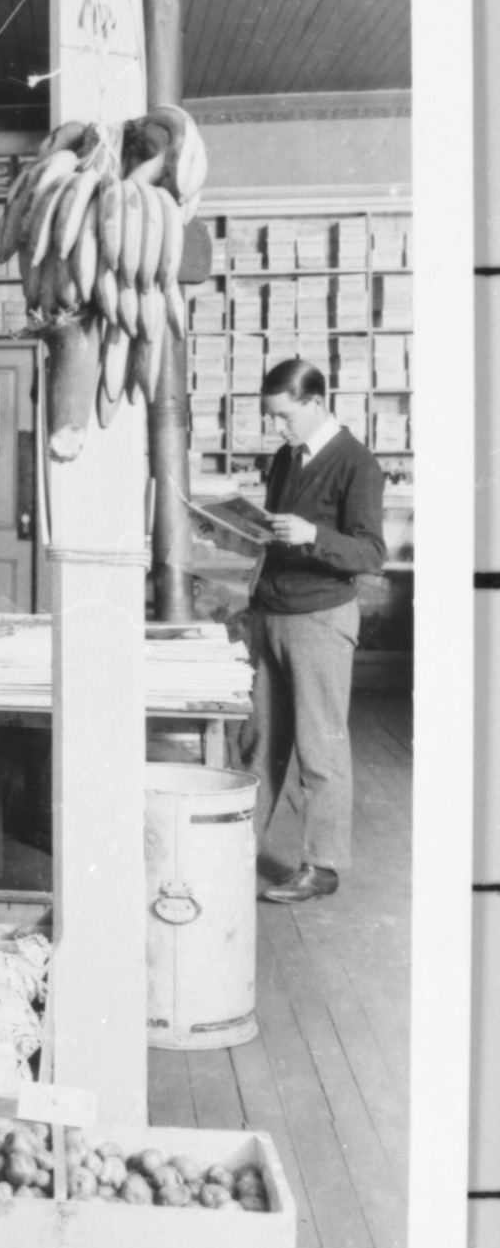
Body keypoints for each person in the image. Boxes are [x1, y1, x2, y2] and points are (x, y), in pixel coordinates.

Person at [239, 358, 386, 904]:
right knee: (258, 744)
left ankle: (322, 867)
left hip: (320, 619)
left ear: (316, 403)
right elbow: (277, 535)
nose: (278, 428)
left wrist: (312, 534)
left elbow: (370, 553)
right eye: (272, 418)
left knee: (320, 747)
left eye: (285, 417)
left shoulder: (357, 464)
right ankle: (236, 852)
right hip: (270, 613)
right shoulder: (286, 458)